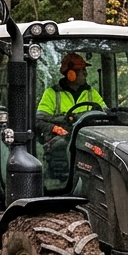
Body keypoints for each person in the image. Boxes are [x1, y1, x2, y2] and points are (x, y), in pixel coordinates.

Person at [36, 53, 106, 187]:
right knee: (60, 146)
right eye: (82, 71)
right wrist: (55, 128)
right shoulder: (52, 94)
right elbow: (39, 120)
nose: (85, 74)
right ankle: (61, 184)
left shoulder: (91, 93)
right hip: (63, 137)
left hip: (86, 137)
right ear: (71, 74)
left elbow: (104, 113)